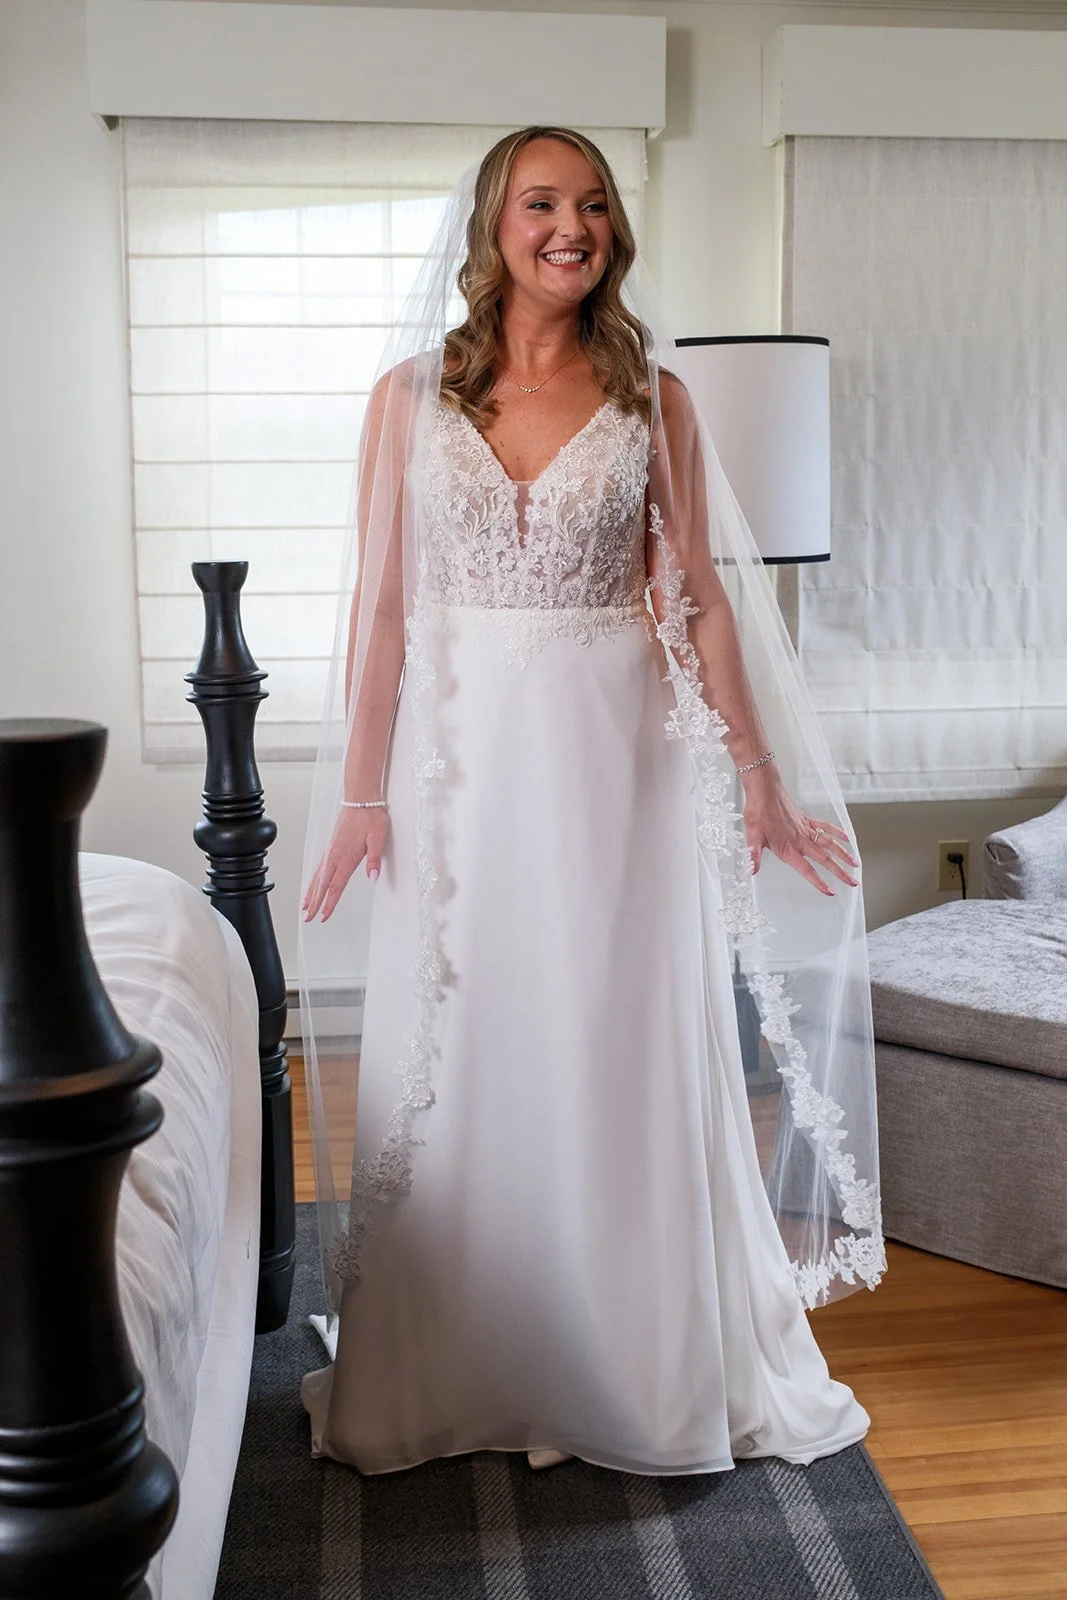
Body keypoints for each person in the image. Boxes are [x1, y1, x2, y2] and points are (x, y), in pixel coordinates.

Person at [298, 127, 883, 1477]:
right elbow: (380, 612)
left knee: (606, 1031)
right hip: (460, 774)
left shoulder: (652, 399)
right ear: (491, 226)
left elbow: (698, 602)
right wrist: (360, 792)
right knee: (478, 1035)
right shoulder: (405, 398)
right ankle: (465, 1357)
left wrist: (757, 774)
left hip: (618, 764)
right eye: (542, 203)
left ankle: (627, 1359)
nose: (573, 226)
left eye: (594, 204)